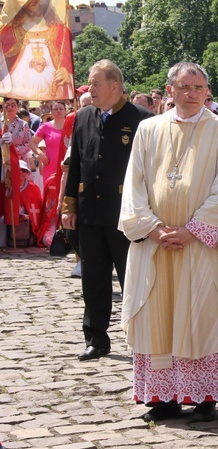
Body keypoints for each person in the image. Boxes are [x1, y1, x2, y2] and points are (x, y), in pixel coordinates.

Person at [119, 61, 218, 422]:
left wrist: (194, 229)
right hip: (155, 245)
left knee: (201, 314)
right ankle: (163, 397)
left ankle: (205, 396)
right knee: (158, 317)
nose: (191, 94)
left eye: (199, 88)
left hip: (200, 246)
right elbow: (135, 183)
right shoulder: (147, 129)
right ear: (169, 90)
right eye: (184, 87)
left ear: (207, 92)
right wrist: (154, 228)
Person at [61, 59, 152, 361]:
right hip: (90, 213)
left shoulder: (141, 119)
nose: (91, 89)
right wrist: (69, 205)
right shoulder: (84, 116)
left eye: (96, 83)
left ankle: (140, 338)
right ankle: (96, 338)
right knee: (94, 280)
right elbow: (76, 164)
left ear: (115, 86)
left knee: (132, 280)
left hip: (125, 216)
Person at [0, 0, 74, 100]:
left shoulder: (62, 32)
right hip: (15, 98)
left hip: (55, 98)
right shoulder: (7, 33)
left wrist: (68, 75)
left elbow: (69, 68)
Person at [30, 100, 65, 246]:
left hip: (66, 167)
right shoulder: (46, 127)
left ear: (65, 110)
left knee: (65, 197)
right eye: (55, 109)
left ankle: (66, 231)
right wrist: (40, 154)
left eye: (60, 108)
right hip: (50, 167)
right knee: (51, 200)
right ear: (51, 111)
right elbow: (32, 142)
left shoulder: (72, 125)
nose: (58, 111)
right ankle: (50, 231)